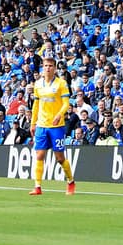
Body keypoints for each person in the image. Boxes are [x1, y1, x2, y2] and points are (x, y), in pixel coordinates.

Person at [28, 56, 76, 196]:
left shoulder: (61, 83)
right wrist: (33, 122)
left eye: (50, 66)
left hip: (57, 126)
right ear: (42, 67)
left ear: (54, 68)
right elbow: (36, 105)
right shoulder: (37, 84)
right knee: (39, 155)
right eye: (45, 66)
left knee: (60, 158)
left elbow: (66, 104)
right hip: (42, 125)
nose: (47, 68)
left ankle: (71, 181)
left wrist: (59, 114)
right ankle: (37, 187)